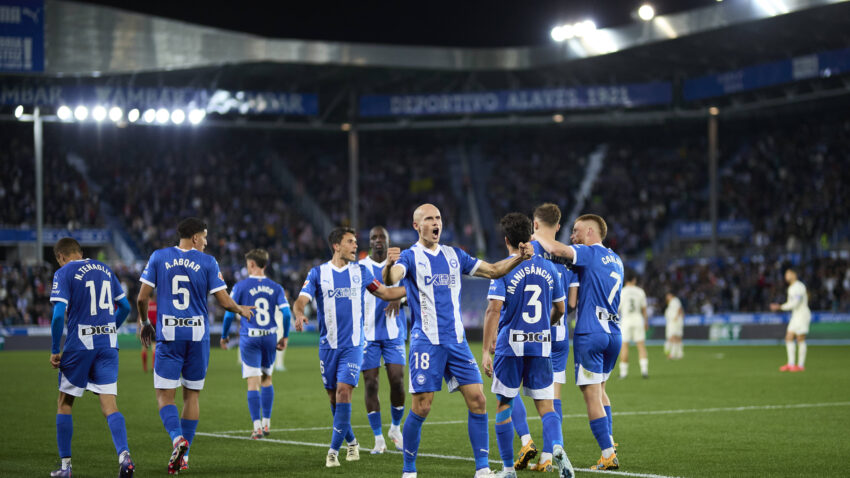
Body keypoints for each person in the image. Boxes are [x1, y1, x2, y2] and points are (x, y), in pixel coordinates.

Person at [382, 203, 533, 478]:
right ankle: (409, 471)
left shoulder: (454, 255)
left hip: (458, 342)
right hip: (426, 341)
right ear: (417, 226)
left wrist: (519, 258)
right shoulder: (410, 256)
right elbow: (394, 278)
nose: (436, 222)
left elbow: (493, 271)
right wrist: (390, 263)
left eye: (438, 217)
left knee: (478, 400)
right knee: (422, 406)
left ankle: (483, 469)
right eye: (429, 219)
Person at [136, 218, 255, 474]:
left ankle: (177, 439)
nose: (207, 242)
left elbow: (142, 297)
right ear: (195, 238)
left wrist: (145, 321)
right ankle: (185, 456)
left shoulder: (158, 257)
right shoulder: (208, 262)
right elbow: (224, 301)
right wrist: (240, 309)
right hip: (197, 336)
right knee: (192, 395)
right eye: (205, 236)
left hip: (169, 335)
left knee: (165, 395)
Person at [293, 227, 407, 468]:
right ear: (337, 246)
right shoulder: (318, 273)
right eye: (350, 242)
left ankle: (333, 451)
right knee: (334, 399)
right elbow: (301, 300)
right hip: (328, 346)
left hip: (354, 345)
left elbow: (385, 292)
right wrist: (299, 313)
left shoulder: (361, 272)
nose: (356, 246)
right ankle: (352, 441)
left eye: (356, 242)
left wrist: (413, 290)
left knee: (345, 392)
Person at [481, 213, 574, 478]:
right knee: (546, 405)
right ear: (530, 237)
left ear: (507, 239)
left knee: (504, 403)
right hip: (541, 345)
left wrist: (487, 350)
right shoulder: (550, 268)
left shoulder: (504, 268)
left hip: (511, 346)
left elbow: (493, 310)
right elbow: (560, 308)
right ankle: (556, 447)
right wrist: (547, 324)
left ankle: (509, 469)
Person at [533, 214, 624, 471]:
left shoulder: (589, 253)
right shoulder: (616, 260)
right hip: (614, 333)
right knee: (602, 391)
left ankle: (607, 454)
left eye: (577, 231)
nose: (573, 236)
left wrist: (537, 233)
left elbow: (554, 248)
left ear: (591, 232)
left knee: (591, 396)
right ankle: (611, 443)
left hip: (591, 333)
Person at [48, 237, 135, 477]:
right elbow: (125, 307)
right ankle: (125, 456)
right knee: (110, 405)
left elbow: (57, 316)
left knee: (64, 403)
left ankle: (65, 468)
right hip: (108, 345)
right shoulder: (105, 269)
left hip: (80, 345)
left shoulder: (64, 272)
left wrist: (56, 349)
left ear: (61, 257)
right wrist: (109, 329)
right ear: (80, 252)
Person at [510, 203, 579, 472]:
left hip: (533, 332)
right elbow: (571, 302)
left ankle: (526, 440)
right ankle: (549, 456)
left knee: (508, 387)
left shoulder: (528, 249)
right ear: (559, 226)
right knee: (553, 399)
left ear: (534, 225)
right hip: (561, 334)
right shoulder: (567, 254)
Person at [220, 249, 291, 439]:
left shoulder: (241, 286)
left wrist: (225, 335)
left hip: (250, 337)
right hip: (269, 337)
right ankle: (267, 424)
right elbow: (286, 314)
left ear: (251, 264)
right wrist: (284, 336)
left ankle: (257, 427)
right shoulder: (276, 287)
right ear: (265, 265)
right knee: (267, 378)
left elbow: (228, 313)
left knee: (253, 382)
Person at [360, 226, 406, 453]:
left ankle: (395, 428)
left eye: (382, 237)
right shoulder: (360, 268)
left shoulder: (400, 265)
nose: (378, 241)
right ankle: (378, 438)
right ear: (369, 242)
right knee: (371, 383)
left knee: (397, 379)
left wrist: (402, 298)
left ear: (388, 241)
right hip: (367, 335)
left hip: (393, 332)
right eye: (374, 237)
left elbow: (416, 289)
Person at [770, 268, 811, 372]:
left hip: (802, 315)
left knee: (800, 339)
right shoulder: (791, 288)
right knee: (788, 337)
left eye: (788, 274)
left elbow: (795, 303)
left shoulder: (799, 286)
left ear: (794, 275)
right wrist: (781, 307)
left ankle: (801, 365)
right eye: (785, 274)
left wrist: (780, 307)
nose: (786, 276)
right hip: (795, 315)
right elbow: (792, 303)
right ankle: (791, 363)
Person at [618, 272, 649, 378]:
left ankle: (623, 373)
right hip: (638, 319)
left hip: (626, 320)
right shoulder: (640, 291)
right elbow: (644, 309)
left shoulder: (622, 292)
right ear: (634, 280)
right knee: (641, 346)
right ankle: (644, 371)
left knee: (624, 346)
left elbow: (617, 309)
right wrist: (646, 322)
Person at [664, 292, 684, 360]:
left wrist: (676, 317)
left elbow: (679, 309)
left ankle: (672, 354)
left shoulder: (675, 301)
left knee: (673, 337)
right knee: (677, 337)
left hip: (675, 322)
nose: (667, 297)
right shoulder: (671, 303)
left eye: (668, 295)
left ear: (671, 295)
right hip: (675, 321)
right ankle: (679, 353)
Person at [141, 298, 157, 373]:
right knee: (154, 347)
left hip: (146, 326)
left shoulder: (146, 305)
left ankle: (145, 368)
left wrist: (138, 329)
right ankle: (153, 366)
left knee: (144, 347)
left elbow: (140, 317)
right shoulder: (156, 305)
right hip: (155, 327)